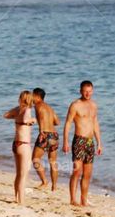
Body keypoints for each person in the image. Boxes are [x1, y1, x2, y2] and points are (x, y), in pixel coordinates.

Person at [62, 80, 104, 208]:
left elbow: (95, 123)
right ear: (80, 91)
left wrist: (99, 143)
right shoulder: (75, 105)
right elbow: (68, 123)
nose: (87, 93)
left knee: (87, 174)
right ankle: (72, 199)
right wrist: (65, 141)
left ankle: (83, 200)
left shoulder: (94, 105)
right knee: (76, 171)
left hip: (90, 142)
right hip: (79, 140)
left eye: (90, 91)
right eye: (85, 91)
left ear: (93, 91)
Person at [4, 91, 36, 205]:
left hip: (16, 143)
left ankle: (17, 198)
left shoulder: (18, 109)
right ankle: (21, 201)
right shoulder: (28, 110)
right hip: (24, 145)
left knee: (18, 174)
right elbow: (25, 120)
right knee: (24, 174)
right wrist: (32, 120)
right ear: (29, 99)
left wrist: (16, 116)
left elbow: (6, 115)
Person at [32, 87, 61, 191]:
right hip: (54, 135)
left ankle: (44, 181)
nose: (31, 98)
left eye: (32, 95)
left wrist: (41, 130)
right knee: (53, 162)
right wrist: (49, 122)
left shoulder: (38, 105)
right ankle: (54, 187)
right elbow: (57, 122)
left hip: (45, 134)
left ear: (37, 96)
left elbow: (40, 117)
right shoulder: (49, 107)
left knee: (35, 159)